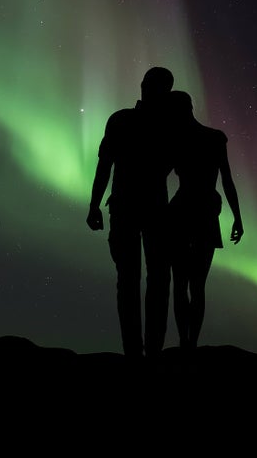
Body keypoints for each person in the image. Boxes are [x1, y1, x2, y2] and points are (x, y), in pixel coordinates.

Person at [86, 67, 174, 359]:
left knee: (134, 279)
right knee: (148, 278)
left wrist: (95, 205)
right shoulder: (168, 126)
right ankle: (145, 351)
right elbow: (105, 165)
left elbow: (105, 166)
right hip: (149, 208)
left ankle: (138, 352)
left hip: (130, 206)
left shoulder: (122, 120)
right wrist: (94, 204)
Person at [166, 90, 243, 351]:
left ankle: (186, 342)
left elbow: (157, 174)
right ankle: (191, 343)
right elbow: (227, 180)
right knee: (196, 285)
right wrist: (237, 217)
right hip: (205, 211)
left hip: (183, 210)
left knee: (182, 285)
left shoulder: (176, 140)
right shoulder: (213, 138)